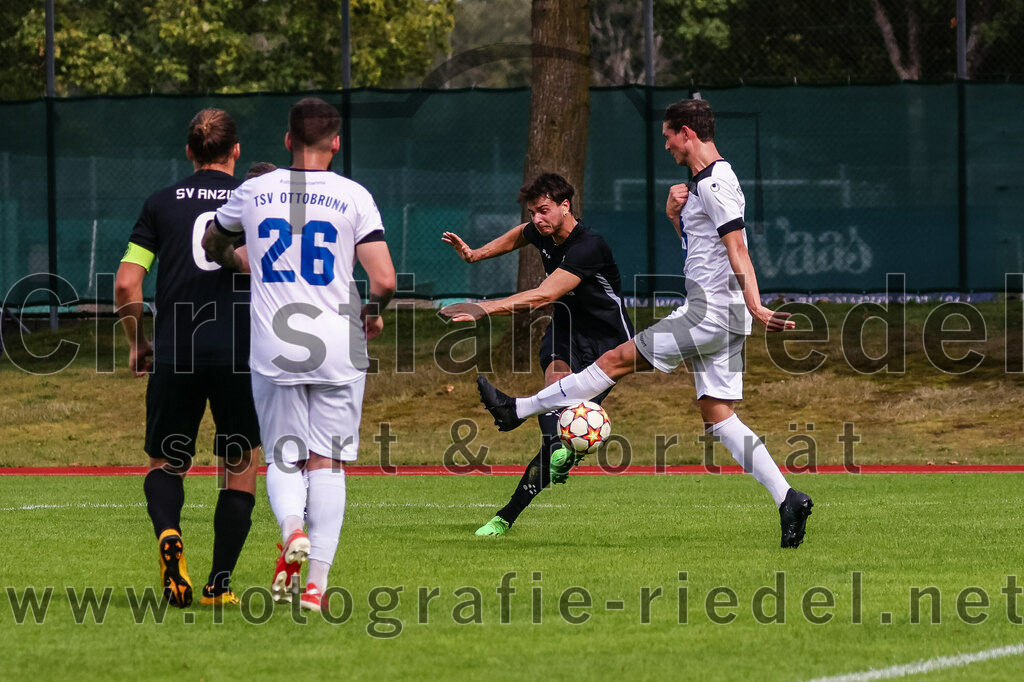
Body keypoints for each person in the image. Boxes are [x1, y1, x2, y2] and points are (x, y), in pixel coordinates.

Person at [477, 98, 815, 549]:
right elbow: (703, 249)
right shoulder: (704, 184)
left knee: (616, 359)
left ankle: (516, 409)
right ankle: (787, 499)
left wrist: (757, 304)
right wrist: (676, 216)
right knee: (718, 414)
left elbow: (738, 250)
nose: (667, 145)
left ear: (687, 134)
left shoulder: (714, 184)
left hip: (710, 311)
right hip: (722, 315)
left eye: (669, 136)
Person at [203, 96, 396, 612]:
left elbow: (211, 242)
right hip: (339, 340)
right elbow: (384, 279)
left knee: (285, 456)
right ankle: (316, 586)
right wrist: (373, 312)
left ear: (287, 140)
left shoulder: (253, 190)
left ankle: (291, 530)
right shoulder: (355, 195)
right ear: (337, 143)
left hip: (275, 343)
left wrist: (238, 258)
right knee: (328, 462)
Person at [114, 108, 261, 608]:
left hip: (176, 349)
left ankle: (169, 535)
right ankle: (219, 586)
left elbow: (126, 283)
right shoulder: (257, 204)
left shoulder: (159, 204)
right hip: (241, 351)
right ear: (235, 151)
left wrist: (138, 343)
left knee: (166, 461)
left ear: (189, 152)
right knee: (239, 463)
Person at [440, 173, 633, 536]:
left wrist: (483, 308)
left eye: (543, 211)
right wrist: (475, 254)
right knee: (554, 401)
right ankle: (564, 450)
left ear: (565, 206)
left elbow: (543, 295)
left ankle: (506, 516)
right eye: (533, 212)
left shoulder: (589, 246)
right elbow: (518, 234)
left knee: (559, 421)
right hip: (567, 326)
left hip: (608, 343)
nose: (537, 220)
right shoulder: (541, 230)